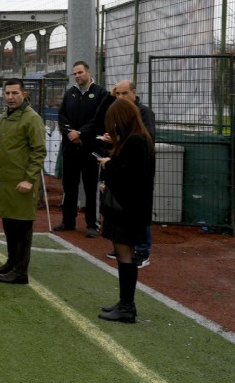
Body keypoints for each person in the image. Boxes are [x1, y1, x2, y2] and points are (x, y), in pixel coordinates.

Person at [96, 98, 155, 322]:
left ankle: (127, 306)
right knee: (125, 256)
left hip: (126, 209)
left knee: (125, 256)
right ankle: (124, 303)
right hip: (131, 208)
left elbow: (128, 176)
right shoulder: (140, 139)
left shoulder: (135, 141)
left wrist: (108, 164)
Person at [0, 78, 46, 284]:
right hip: (6, 182)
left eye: (15, 93)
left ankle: (21, 271)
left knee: (22, 229)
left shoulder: (32, 118)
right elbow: (2, 145)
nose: (10, 97)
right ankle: (11, 262)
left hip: (22, 183)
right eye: (7, 93)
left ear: (24, 94)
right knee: (9, 225)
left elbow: (39, 152)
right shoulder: (5, 117)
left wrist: (29, 179)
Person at [105, 79, 155, 268]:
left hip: (137, 176)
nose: (120, 98)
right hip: (126, 173)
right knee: (124, 209)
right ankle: (126, 244)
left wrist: (119, 143)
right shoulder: (120, 111)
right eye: (117, 94)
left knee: (138, 210)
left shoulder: (143, 114)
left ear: (134, 93)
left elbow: (146, 139)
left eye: (124, 94)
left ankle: (142, 250)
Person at [55, 61, 109, 238]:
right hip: (70, 149)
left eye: (79, 73)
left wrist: (81, 133)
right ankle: (68, 221)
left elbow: (99, 120)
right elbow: (62, 116)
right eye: (75, 74)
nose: (77, 76)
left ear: (88, 72)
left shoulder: (101, 93)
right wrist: (70, 132)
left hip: (90, 149)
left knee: (91, 187)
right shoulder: (70, 94)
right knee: (69, 185)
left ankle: (92, 224)